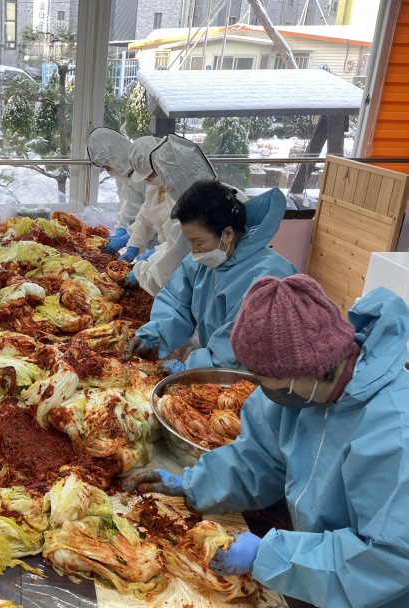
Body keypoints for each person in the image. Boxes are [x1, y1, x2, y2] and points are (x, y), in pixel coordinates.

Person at [122, 274, 409, 608]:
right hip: (313, 571)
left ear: (309, 371)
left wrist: (269, 555)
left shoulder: (393, 431)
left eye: (266, 379)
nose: (263, 389)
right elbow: (256, 460)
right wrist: (193, 484)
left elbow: (387, 559)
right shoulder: (296, 396)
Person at [124, 180, 297, 373]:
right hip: (220, 367)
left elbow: (240, 349)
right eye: (189, 242)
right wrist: (154, 333)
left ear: (227, 234)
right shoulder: (205, 261)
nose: (194, 250)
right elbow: (177, 301)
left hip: (262, 377)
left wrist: (189, 368)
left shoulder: (267, 279)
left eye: (198, 242)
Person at [122, 134, 241, 296]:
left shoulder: (200, 208)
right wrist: (135, 243)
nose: (149, 180)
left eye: (150, 175)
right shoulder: (163, 187)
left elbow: (179, 252)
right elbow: (146, 215)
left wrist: (146, 269)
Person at [85, 127, 146, 254]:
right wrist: (121, 228)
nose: (107, 170)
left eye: (107, 165)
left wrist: (127, 237)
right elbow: (126, 207)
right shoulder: (120, 172)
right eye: (104, 167)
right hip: (139, 238)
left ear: (115, 156)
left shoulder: (145, 173)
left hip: (157, 240)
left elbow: (154, 214)